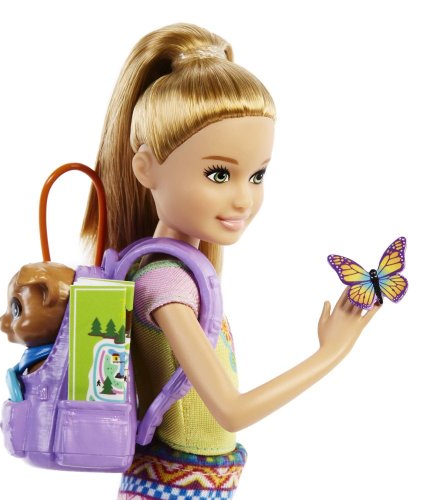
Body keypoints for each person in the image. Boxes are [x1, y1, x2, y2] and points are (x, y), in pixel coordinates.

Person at [82, 23, 380, 500]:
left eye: (257, 176)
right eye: (219, 174)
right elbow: (231, 409)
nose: (244, 199)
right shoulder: (164, 283)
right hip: (172, 485)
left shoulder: (182, 272)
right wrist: (331, 352)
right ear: (146, 168)